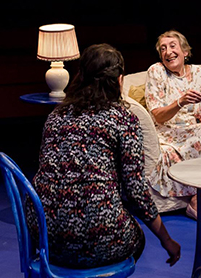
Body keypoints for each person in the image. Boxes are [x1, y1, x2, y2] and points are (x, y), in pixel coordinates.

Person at [30, 44, 181, 268]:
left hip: (44, 237)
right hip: (98, 240)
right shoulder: (123, 119)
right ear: (119, 80)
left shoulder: (56, 115)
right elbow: (136, 191)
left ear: (81, 77)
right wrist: (166, 239)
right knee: (135, 235)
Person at [145, 30, 201, 224]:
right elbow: (158, 116)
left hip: (192, 129)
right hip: (167, 131)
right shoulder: (156, 71)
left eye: (172, 46)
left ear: (185, 51)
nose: (168, 52)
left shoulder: (198, 73)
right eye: (163, 48)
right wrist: (180, 102)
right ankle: (198, 200)